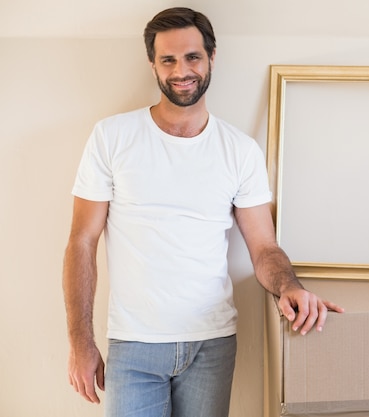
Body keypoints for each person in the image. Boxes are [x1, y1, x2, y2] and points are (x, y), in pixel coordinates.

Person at [62, 7, 343, 417]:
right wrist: (80, 342)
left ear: (212, 57)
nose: (181, 70)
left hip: (211, 344)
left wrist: (289, 288)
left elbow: (263, 246)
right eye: (168, 60)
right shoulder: (112, 137)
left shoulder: (240, 150)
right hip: (134, 344)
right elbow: (81, 241)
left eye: (192, 57)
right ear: (152, 65)